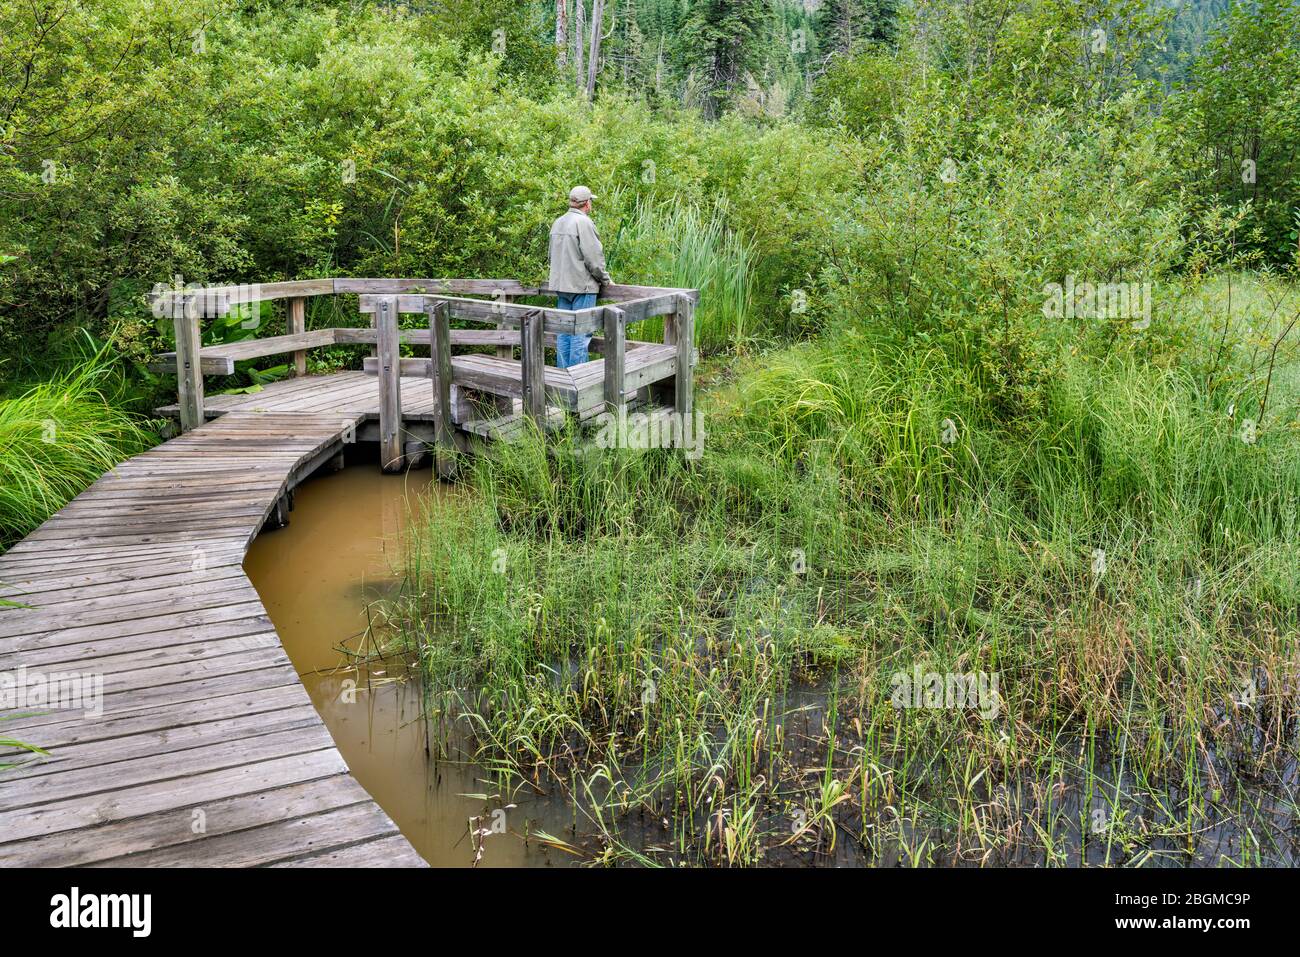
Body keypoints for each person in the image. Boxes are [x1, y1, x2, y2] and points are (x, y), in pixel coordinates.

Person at [548, 185, 612, 368]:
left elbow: (551, 255)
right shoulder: (583, 223)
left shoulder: (558, 222)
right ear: (586, 203)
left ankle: (563, 379)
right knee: (580, 335)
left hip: (561, 286)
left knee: (564, 333)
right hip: (582, 287)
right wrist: (605, 279)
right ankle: (578, 381)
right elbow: (594, 258)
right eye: (591, 200)